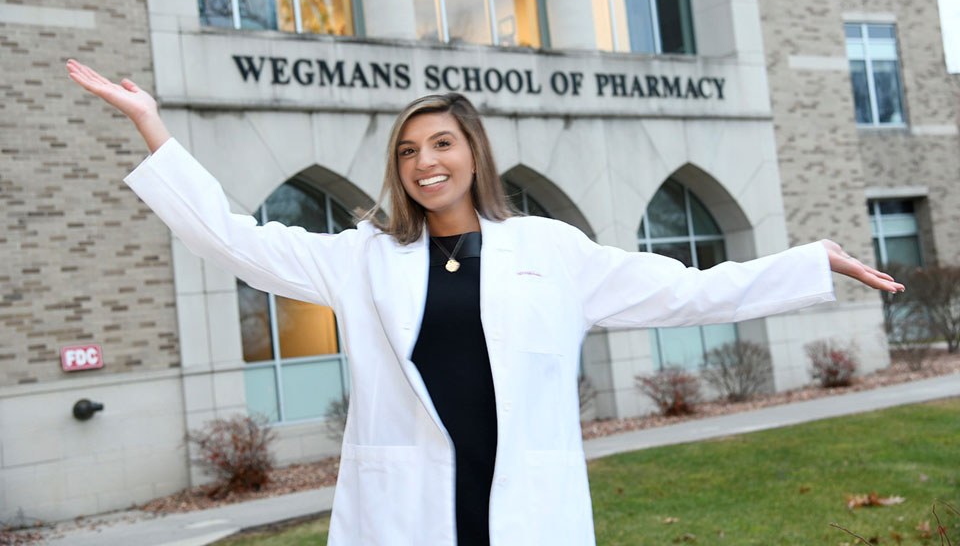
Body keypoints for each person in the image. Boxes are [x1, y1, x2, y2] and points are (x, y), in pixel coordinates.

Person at [66, 59, 904, 546]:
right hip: (408, 512)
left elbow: (686, 291)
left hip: (523, 510)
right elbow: (233, 239)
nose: (425, 163)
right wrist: (152, 125)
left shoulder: (549, 250)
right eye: (408, 151)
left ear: (473, 154)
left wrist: (809, 263)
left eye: (441, 144)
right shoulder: (363, 259)